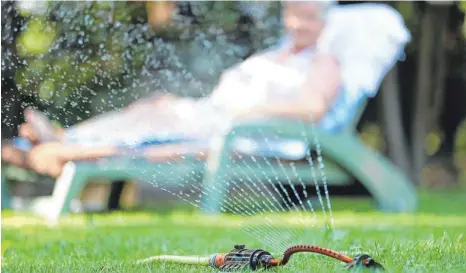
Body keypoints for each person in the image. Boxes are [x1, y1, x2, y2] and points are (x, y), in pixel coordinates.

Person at [1, 1, 411, 178]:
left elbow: (312, 109)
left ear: (325, 20)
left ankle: (63, 151)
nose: (295, 25)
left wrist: (247, 114)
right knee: (156, 105)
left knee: (163, 135)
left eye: (306, 17)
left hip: (249, 134)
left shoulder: (324, 60)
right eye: (291, 15)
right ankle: (66, 137)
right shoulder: (280, 54)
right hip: (219, 117)